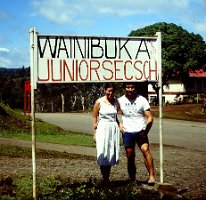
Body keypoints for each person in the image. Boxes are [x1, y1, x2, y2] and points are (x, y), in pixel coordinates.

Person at [118, 82, 155, 185]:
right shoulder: (120, 100)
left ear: (135, 88)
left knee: (145, 150)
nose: (130, 89)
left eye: (132, 87)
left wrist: (145, 131)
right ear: (125, 88)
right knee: (130, 155)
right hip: (127, 131)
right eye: (128, 87)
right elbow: (113, 114)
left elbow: (150, 118)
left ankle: (151, 176)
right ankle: (132, 179)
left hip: (140, 130)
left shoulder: (142, 100)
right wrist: (119, 124)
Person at [93, 83, 120, 184]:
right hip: (102, 128)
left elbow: (116, 117)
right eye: (109, 90)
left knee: (109, 153)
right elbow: (95, 117)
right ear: (105, 90)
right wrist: (94, 133)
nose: (110, 93)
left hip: (113, 129)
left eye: (112, 91)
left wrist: (119, 125)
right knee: (102, 152)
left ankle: (106, 178)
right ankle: (105, 178)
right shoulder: (99, 102)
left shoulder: (116, 102)